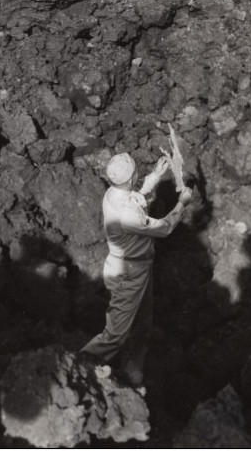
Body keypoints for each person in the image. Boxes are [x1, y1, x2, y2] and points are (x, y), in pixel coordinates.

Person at [81, 151, 192, 386]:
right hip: (128, 273)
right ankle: (79, 368)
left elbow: (136, 197)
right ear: (131, 178)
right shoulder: (128, 214)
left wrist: (155, 176)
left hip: (138, 267)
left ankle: (132, 369)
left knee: (143, 322)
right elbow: (163, 228)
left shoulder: (114, 193)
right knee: (115, 336)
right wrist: (182, 204)